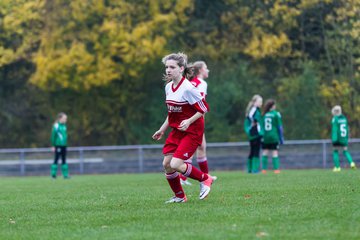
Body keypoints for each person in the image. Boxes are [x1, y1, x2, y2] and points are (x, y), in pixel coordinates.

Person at [152, 52, 213, 203]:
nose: (168, 70)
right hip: (178, 130)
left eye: (172, 67)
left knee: (176, 164)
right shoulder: (168, 87)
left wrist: (189, 121)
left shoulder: (188, 88)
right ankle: (180, 196)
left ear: (181, 68)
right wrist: (162, 129)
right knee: (167, 164)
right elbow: (172, 113)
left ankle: (205, 179)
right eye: (167, 67)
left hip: (192, 130)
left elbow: (203, 108)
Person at [179, 61, 217, 186]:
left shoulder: (191, 82)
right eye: (206, 68)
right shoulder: (201, 83)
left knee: (198, 147)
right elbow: (200, 105)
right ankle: (203, 178)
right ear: (200, 70)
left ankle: (197, 177)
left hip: (186, 118)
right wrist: (199, 121)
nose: (208, 70)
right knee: (198, 147)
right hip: (194, 120)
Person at [261, 99, 284, 174]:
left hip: (265, 137)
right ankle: (276, 170)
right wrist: (281, 138)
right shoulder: (276, 114)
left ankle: (264, 170)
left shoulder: (264, 115)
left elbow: (261, 127)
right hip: (274, 136)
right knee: (274, 152)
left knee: (265, 152)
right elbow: (280, 127)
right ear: (272, 106)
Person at [331, 105, 356, 172]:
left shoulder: (335, 118)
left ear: (335, 111)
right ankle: (351, 163)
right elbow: (347, 129)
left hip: (337, 138)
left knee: (335, 151)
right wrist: (347, 137)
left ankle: (337, 167)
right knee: (345, 151)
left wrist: (334, 139)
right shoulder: (344, 118)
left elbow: (334, 129)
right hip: (344, 138)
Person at [244, 94, 263, 173]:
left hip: (253, 133)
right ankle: (254, 169)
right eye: (259, 102)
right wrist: (254, 123)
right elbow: (250, 117)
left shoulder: (254, 109)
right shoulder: (254, 109)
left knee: (252, 151)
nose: (261, 103)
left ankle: (250, 169)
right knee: (256, 151)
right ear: (255, 102)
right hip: (255, 133)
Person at [50, 112, 70, 179]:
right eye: (64, 118)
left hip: (64, 145)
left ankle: (65, 175)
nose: (65, 120)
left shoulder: (64, 126)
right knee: (56, 159)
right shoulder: (56, 126)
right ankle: (53, 175)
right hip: (58, 145)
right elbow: (53, 136)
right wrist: (53, 145)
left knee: (64, 160)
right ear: (60, 118)